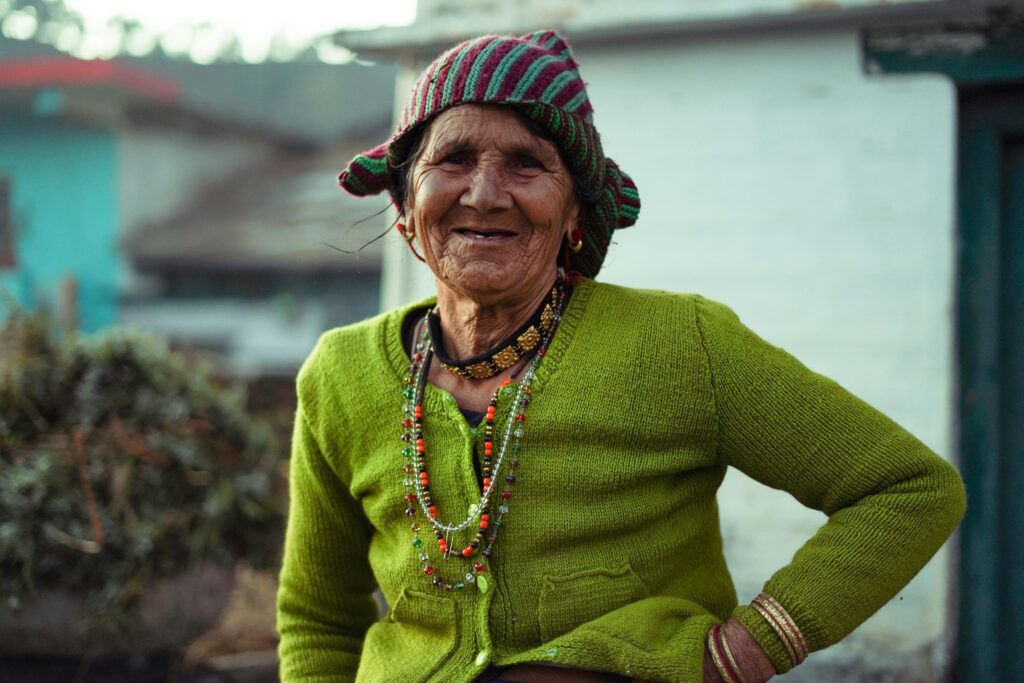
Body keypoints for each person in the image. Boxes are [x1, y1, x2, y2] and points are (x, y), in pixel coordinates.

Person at [276, 29, 966, 683]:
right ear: (405, 206)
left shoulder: (681, 344)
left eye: (527, 163)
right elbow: (317, 618)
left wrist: (753, 645)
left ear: (575, 212)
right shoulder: (342, 375)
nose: (485, 193)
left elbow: (908, 488)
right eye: (452, 159)